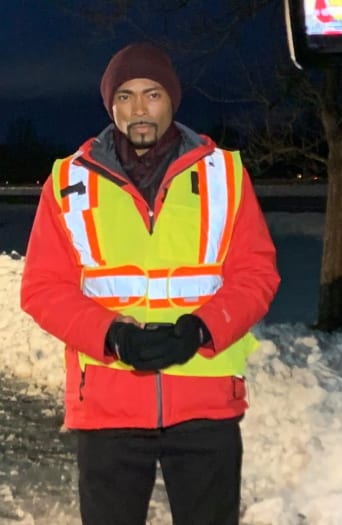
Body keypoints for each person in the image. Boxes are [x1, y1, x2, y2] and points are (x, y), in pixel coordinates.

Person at [20, 42, 280, 525]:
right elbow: (42, 288)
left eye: (152, 93)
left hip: (205, 402)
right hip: (107, 403)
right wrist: (112, 336)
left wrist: (201, 329)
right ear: (110, 105)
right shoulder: (67, 182)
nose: (139, 108)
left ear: (172, 100)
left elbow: (256, 273)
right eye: (125, 96)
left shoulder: (224, 175)